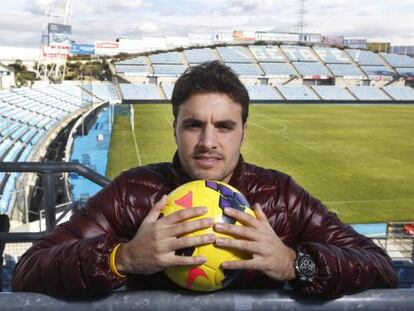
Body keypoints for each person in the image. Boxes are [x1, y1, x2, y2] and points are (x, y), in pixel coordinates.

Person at [12, 61, 397, 298]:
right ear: (175, 128)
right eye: (194, 125)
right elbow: (28, 271)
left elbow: (379, 266)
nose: (208, 142)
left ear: (243, 131)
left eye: (224, 127)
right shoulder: (133, 194)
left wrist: (295, 264)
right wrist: (123, 258)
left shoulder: (281, 197)